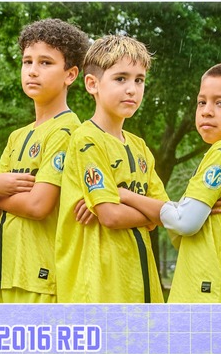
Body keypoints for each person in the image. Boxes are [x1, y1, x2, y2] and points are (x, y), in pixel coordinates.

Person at [117, 62, 221, 327]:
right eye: (201, 102)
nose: (207, 111)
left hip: (210, 292)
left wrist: (126, 196)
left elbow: (185, 223)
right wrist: (178, 210)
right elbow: (185, 228)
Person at [0, 19, 88, 303]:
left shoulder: (67, 131)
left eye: (45, 62)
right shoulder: (17, 137)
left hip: (43, 279)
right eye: (27, 61)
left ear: (70, 74)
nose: (33, 71)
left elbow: (38, 206)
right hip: (7, 275)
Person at [54, 35, 165, 303]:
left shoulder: (140, 147)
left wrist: (123, 196)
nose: (132, 89)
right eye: (120, 79)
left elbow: (165, 212)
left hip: (140, 284)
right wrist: (149, 212)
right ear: (92, 84)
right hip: (99, 289)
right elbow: (111, 216)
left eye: (139, 80)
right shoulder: (87, 139)